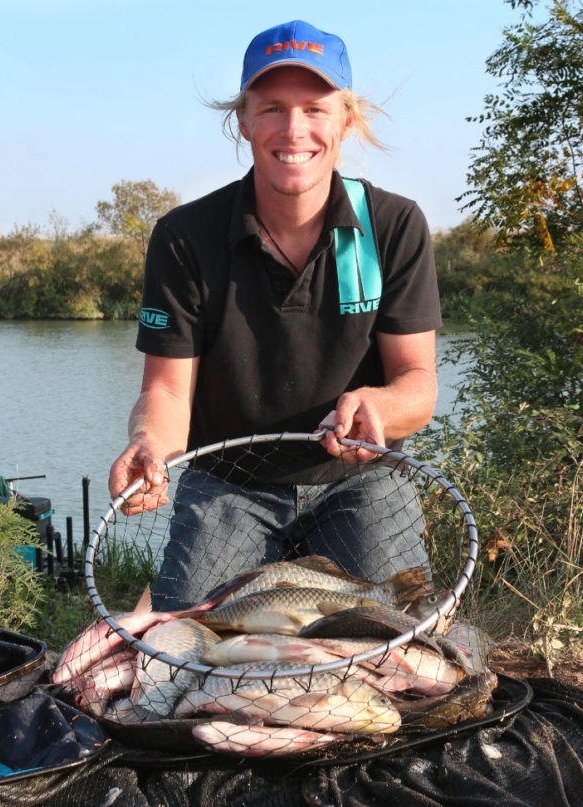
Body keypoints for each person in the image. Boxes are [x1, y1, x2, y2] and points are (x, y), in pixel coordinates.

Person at [108, 19, 442, 609]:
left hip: (358, 483)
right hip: (228, 486)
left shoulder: (392, 225)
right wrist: (149, 447)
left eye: (315, 108)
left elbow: (417, 384)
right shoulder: (185, 237)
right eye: (271, 109)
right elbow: (166, 392)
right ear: (242, 119)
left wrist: (381, 406)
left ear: (345, 119)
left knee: (398, 636)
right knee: (191, 642)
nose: (294, 130)